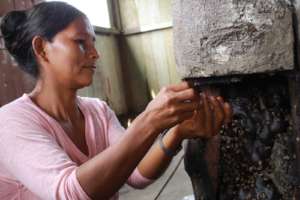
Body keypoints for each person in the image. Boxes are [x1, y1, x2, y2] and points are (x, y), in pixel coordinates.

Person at [0, 2, 232, 200]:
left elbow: (137, 173)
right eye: (81, 42)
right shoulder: (11, 122)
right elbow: (70, 193)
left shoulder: (97, 111)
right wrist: (149, 121)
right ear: (42, 48)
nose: (95, 53)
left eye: (93, 43)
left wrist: (177, 132)